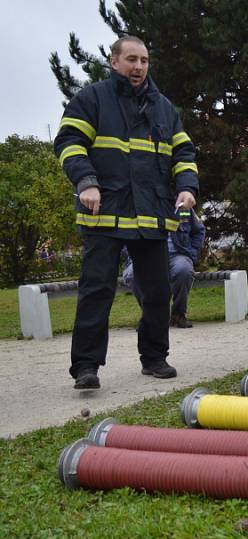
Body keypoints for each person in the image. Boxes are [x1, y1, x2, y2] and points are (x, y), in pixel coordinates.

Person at [54, 36, 199, 389]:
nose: (138, 67)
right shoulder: (91, 99)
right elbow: (68, 142)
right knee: (96, 290)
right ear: (114, 61)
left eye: (144, 60)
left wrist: (186, 188)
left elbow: (184, 154)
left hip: (151, 214)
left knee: (156, 291)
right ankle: (86, 367)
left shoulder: (164, 108)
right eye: (131, 59)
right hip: (104, 210)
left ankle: (154, 357)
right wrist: (86, 181)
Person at [122, 207, 206, 328]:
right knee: (132, 274)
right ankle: (151, 315)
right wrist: (132, 254)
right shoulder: (138, 203)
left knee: (183, 270)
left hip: (176, 255)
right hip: (145, 256)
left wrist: (192, 253)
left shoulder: (182, 208)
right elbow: (124, 235)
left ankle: (178, 314)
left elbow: (199, 231)